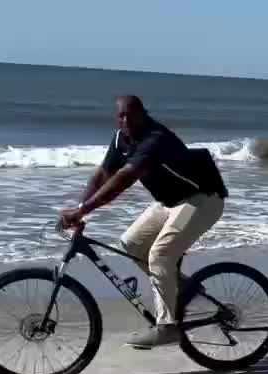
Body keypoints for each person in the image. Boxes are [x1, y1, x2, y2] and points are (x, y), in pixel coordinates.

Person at [58, 95, 228, 348]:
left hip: (202, 199)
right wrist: (82, 209)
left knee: (160, 255)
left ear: (143, 114)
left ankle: (167, 326)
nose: (125, 120)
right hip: (169, 202)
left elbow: (123, 179)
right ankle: (183, 288)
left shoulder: (155, 139)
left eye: (130, 115)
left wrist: (81, 211)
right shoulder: (121, 138)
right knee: (132, 244)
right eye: (120, 116)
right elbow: (104, 174)